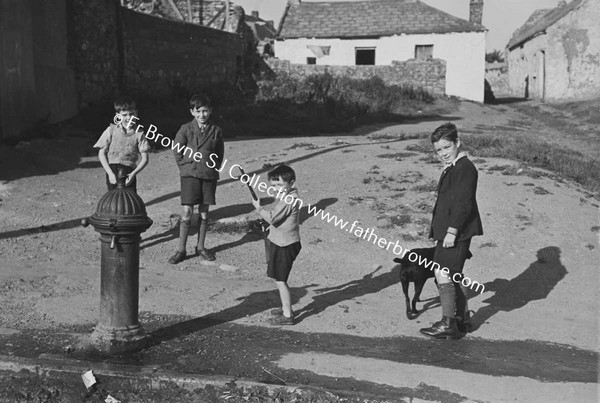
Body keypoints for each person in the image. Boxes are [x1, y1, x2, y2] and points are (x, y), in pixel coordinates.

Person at [419, 123, 483, 339]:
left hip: (457, 231)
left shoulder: (466, 168)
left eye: (447, 147)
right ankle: (462, 319)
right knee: (451, 274)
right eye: (438, 150)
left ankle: (449, 324)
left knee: (442, 273)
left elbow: (464, 204)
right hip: (448, 230)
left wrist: (452, 231)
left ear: (458, 143)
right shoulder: (455, 167)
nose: (443, 154)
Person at [168, 94, 225, 264]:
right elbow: (177, 150)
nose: (202, 115)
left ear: (211, 111)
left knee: (204, 211)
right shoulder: (185, 129)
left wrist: (212, 167)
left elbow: (219, 154)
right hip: (190, 175)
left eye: (205, 111)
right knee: (186, 211)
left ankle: (200, 247)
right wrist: (185, 168)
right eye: (198, 111)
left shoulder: (216, 130)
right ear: (192, 112)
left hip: (208, 175)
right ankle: (181, 249)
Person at [252, 165, 302, 325]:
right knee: (278, 278)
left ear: (291, 183)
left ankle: (288, 316)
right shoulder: (289, 196)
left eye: (279, 185)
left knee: (281, 280)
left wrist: (259, 209)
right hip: (281, 242)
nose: (276, 188)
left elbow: (273, 218)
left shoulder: (289, 200)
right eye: (273, 185)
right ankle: (285, 307)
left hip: (285, 245)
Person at [94, 96, 150, 192]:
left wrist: (133, 174)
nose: (129, 118)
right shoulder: (111, 130)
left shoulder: (139, 134)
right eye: (124, 115)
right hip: (112, 170)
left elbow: (145, 159)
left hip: (129, 172)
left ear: (136, 113)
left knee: (130, 202)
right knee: (113, 201)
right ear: (118, 115)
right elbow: (101, 153)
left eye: (131, 114)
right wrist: (110, 174)